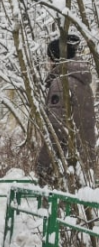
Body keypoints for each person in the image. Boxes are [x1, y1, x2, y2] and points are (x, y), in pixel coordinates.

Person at [35, 35, 96, 186]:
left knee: (57, 208)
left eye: (49, 58)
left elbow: (57, 128)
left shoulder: (60, 83)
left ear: (56, 59)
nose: (48, 63)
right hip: (85, 163)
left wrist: (42, 165)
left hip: (67, 167)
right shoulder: (83, 83)